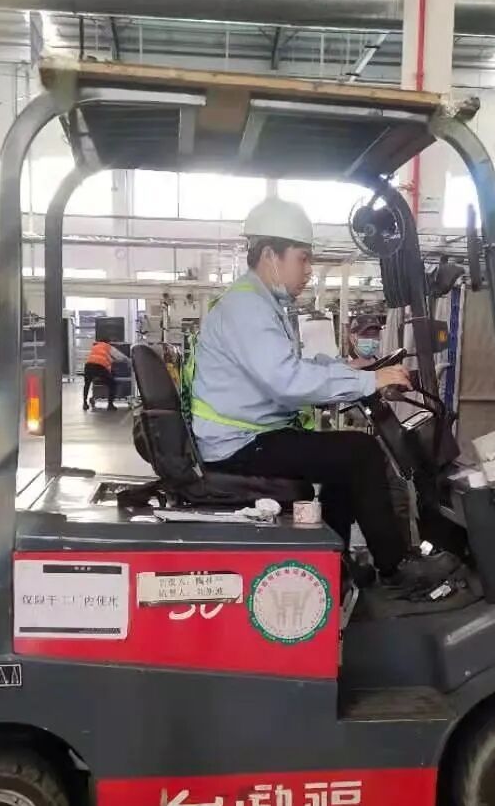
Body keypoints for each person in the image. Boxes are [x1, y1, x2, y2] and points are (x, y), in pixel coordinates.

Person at [189, 195, 457, 591]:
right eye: (303, 259)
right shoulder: (248, 307)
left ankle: (335, 565)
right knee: (360, 453)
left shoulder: (261, 303)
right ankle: (396, 568)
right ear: (271, 255)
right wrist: (368, 383)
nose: (308, 270)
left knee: (344, 459)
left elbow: (295, 366)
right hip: (238, 443)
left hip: (247, 435)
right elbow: (286, 380)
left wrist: (355, 371)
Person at [83, 338, 127, 411]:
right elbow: (120, 356)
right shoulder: (108, 346)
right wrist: (128, 360)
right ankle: (110, 405)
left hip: (88, 366)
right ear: (108, 342)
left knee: (87, 384)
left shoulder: (95, 347)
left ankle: (84, 403)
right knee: (112, 384)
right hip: (99, 367)